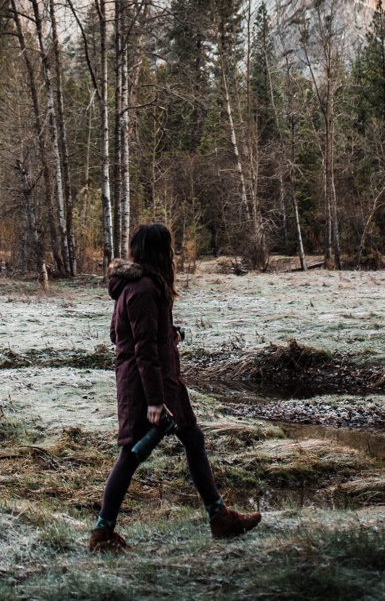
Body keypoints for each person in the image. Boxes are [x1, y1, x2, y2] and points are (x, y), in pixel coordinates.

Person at [90, 223, 261, 552]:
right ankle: (102, 532)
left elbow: (134, 336)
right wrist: (154, 401)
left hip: (163, 379)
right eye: (170, 248)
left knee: (193, 439)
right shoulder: (141, 288)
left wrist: (171, 335)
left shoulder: (145, 285)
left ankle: (218, 517)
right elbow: (141, 349)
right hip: (146, 385)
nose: (173, 254)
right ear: (160, 251)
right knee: (131, 453)